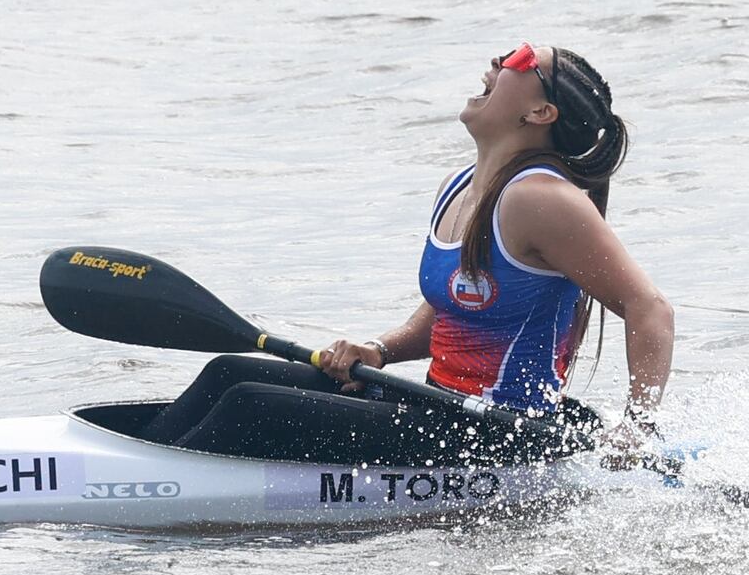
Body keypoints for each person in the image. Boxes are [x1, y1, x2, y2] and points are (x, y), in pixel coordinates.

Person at [142, 42, 673, 467]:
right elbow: (452, 308)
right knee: (229, 374)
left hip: (498, 436)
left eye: (519, 60)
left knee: (249, 405)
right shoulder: (460, 187)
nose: (497, 61)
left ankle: (142, 482)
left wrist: (637, 427)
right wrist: (378, 351)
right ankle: (139, 462)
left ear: (540, 111)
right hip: (435, 406)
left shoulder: (542, 199)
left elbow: (650, 310)